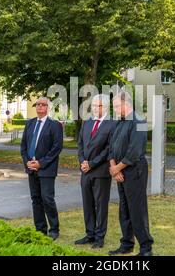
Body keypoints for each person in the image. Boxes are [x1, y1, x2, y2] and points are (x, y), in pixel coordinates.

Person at [107, 91, 154, 256]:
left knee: (137, 209)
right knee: (124, 209)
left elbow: (134, 151)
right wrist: (114, 168)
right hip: (120, 170)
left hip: (135, 171)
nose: (114, 110)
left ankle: (146, 247)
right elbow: (110, 147)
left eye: (116, 106)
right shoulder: (119, 123)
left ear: (126, 104)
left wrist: (117, 168)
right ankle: (127, 244)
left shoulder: (139, 121)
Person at [75, 94, 117, 249]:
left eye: (96, 106)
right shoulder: (87, 123)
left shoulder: (112, 124)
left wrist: (91, 163)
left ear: (104, 107)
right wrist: (82, 162)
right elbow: (80, 145)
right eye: (92, 105)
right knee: (88, 204)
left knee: (100, 205)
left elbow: (109, 149)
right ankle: (90, 234)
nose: (93, 108)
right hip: (85, 171)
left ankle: (100, 237)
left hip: (101, 172)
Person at [20, 97, 63, 240]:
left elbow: (56, 148)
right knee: (36, 199)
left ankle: (54, 229)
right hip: (31, 168)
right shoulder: (30, 123)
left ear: (48, 107)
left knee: (47, 199)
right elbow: (23, 146)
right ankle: (40, 229)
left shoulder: (55, 125)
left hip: (47, 169)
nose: (39, 107)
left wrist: (41, 163)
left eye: (43, 105)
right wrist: (27, 162)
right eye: (37, 104)